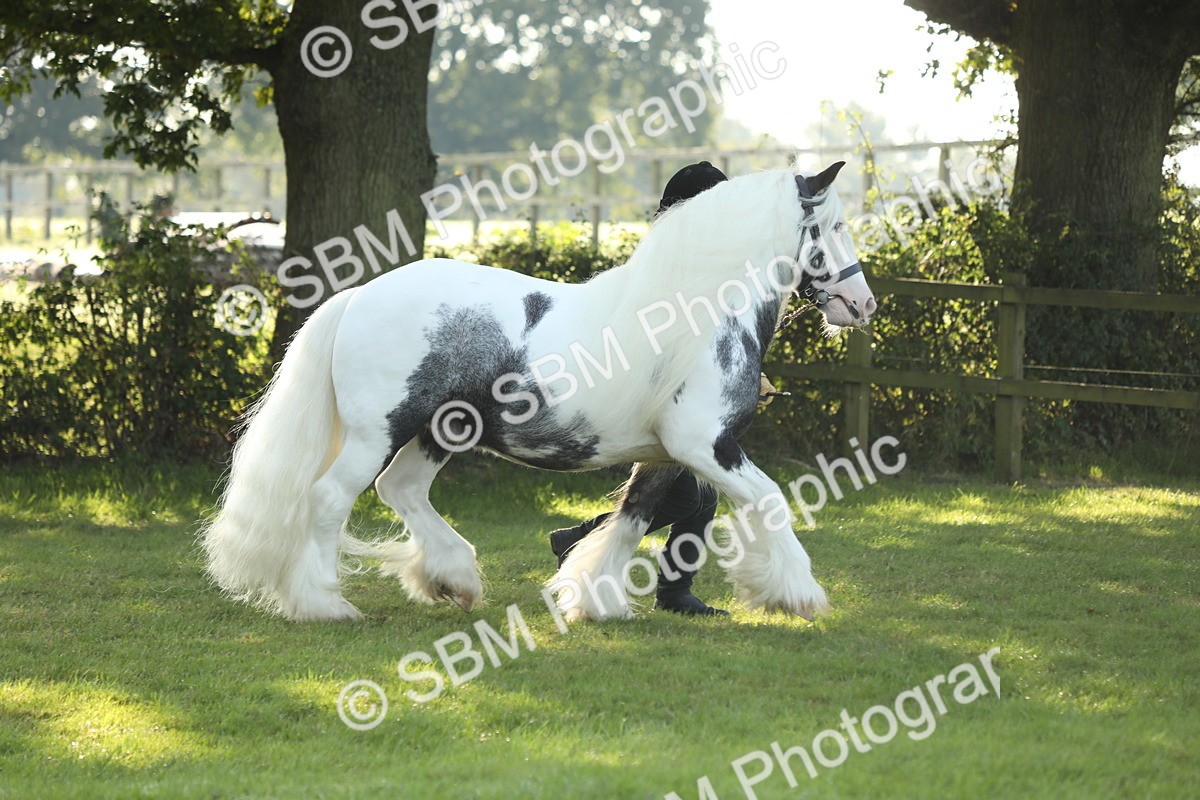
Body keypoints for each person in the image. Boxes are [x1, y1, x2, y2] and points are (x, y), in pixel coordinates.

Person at [549, 161, 778, 616]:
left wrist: (752, 375)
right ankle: (592, 548)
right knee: (692, 496)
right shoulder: (676, 262)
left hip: (669, 397)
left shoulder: (696, 258)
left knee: (699, 497)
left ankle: (666, 586)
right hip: (649, 397)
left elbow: (713, 338)